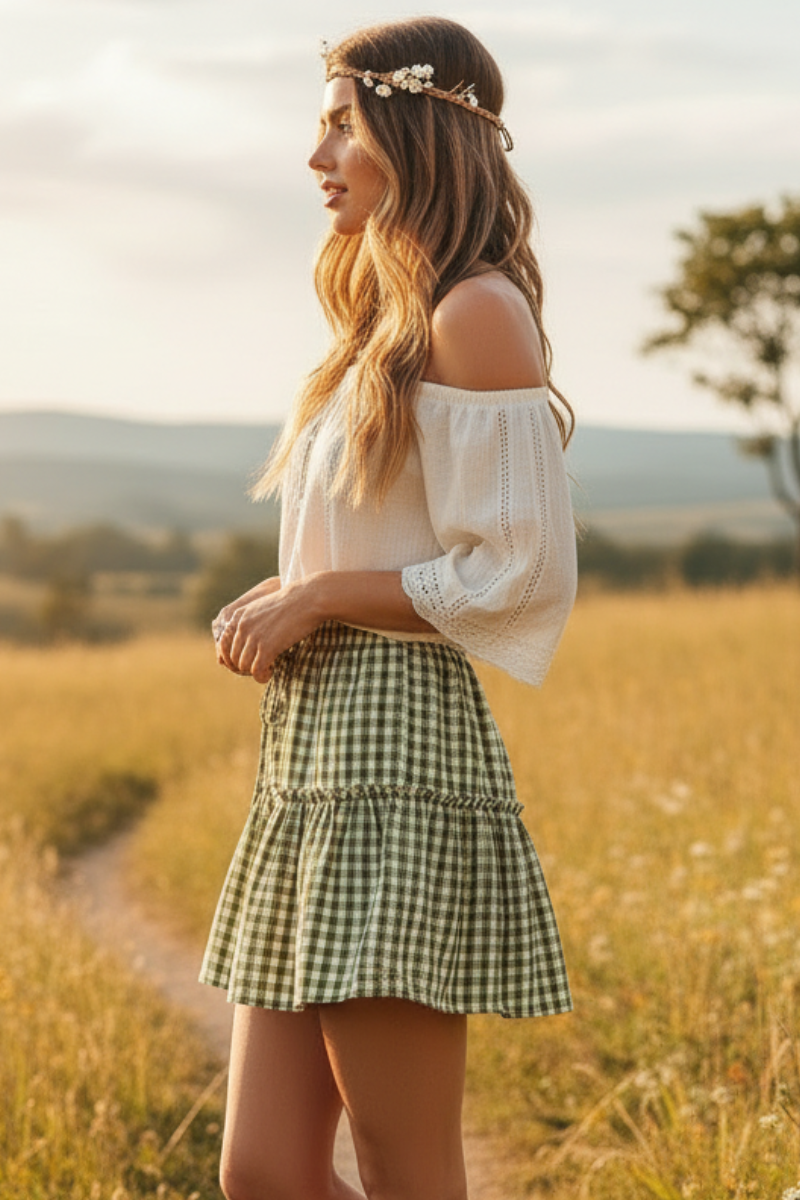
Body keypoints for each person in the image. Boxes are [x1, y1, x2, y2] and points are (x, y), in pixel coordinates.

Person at [199, 16, 578, 1200]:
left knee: (404, 1163)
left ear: (415, 132)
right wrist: (292, 591)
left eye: (340, 126)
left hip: (397, 750)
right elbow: (393, 537)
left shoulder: (475, 312)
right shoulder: (380, 327)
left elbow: (515, 570)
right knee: (265, 1173)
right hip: (315, 754)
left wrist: (322, 595)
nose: (316, 156)